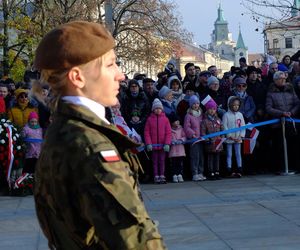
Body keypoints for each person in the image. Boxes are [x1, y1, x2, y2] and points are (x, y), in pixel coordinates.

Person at [33, 21, 166, 249]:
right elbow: (134, 240)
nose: (121, 75)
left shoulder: (67, 129)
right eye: (110, 65)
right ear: (77, 77)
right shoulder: (89, 144)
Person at [144, 98, 172, 184]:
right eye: (156, 108)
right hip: (153, 145)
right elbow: (146, 132)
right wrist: (148, 143)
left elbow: (168, 132)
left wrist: (167, 143)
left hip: (163, 145)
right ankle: (156, 175)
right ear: (153, 109)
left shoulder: (165, 119)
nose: (158, 110)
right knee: (155, 161)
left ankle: (162, 175)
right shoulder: (149, 119)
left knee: (162, 161)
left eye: (159, 108)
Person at [222, 96, 246, 177]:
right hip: (230, 138)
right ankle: (229, 169)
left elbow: (243, 126)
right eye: (234, 105)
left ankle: (239, 168)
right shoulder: (226, 115)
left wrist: (241, 136)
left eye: (237, 105)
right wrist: (229, 136)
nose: (236, 107)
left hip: (238, 138)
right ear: (230, 105)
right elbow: (224, 126)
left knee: (238, 154)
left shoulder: (240, 115)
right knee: (229, 154)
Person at [184, 95, 206, 181]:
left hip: (201, 139)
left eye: (197, 103)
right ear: (191, 105)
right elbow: (186, 127)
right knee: (195, 156)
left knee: (201, 156)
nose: (196, 105)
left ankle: (200, 172)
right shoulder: (188, 115)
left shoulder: (201, 114)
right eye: (194, 104)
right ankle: (195, 173)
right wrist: (192, 134)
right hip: (194, 140)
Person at [201, 100, 223, 180]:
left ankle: (217, 171)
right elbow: (203, 132)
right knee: (210, 158)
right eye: (210, 109)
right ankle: (211, 172)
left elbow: (222, 130)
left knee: (217, 158)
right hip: (210, 143)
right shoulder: (204, 121)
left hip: (218, 143)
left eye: (213, 109)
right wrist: (207, 140)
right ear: (207, 110)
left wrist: (222, 138)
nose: (212, 110)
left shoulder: (218, 119)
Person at [168, 113, 186, 183]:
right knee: (174, 163)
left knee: (180, 163)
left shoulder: (181, 128)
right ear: (172, 122)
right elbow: (168, 137)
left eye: (178, 121)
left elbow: (184, 136)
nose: (177, 122)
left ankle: (180, 174)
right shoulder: (169, 129)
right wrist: (171, 141)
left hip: (180, 149)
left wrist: (181, 140)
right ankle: (174, 175)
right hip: (173, 150)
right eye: (176, 121)